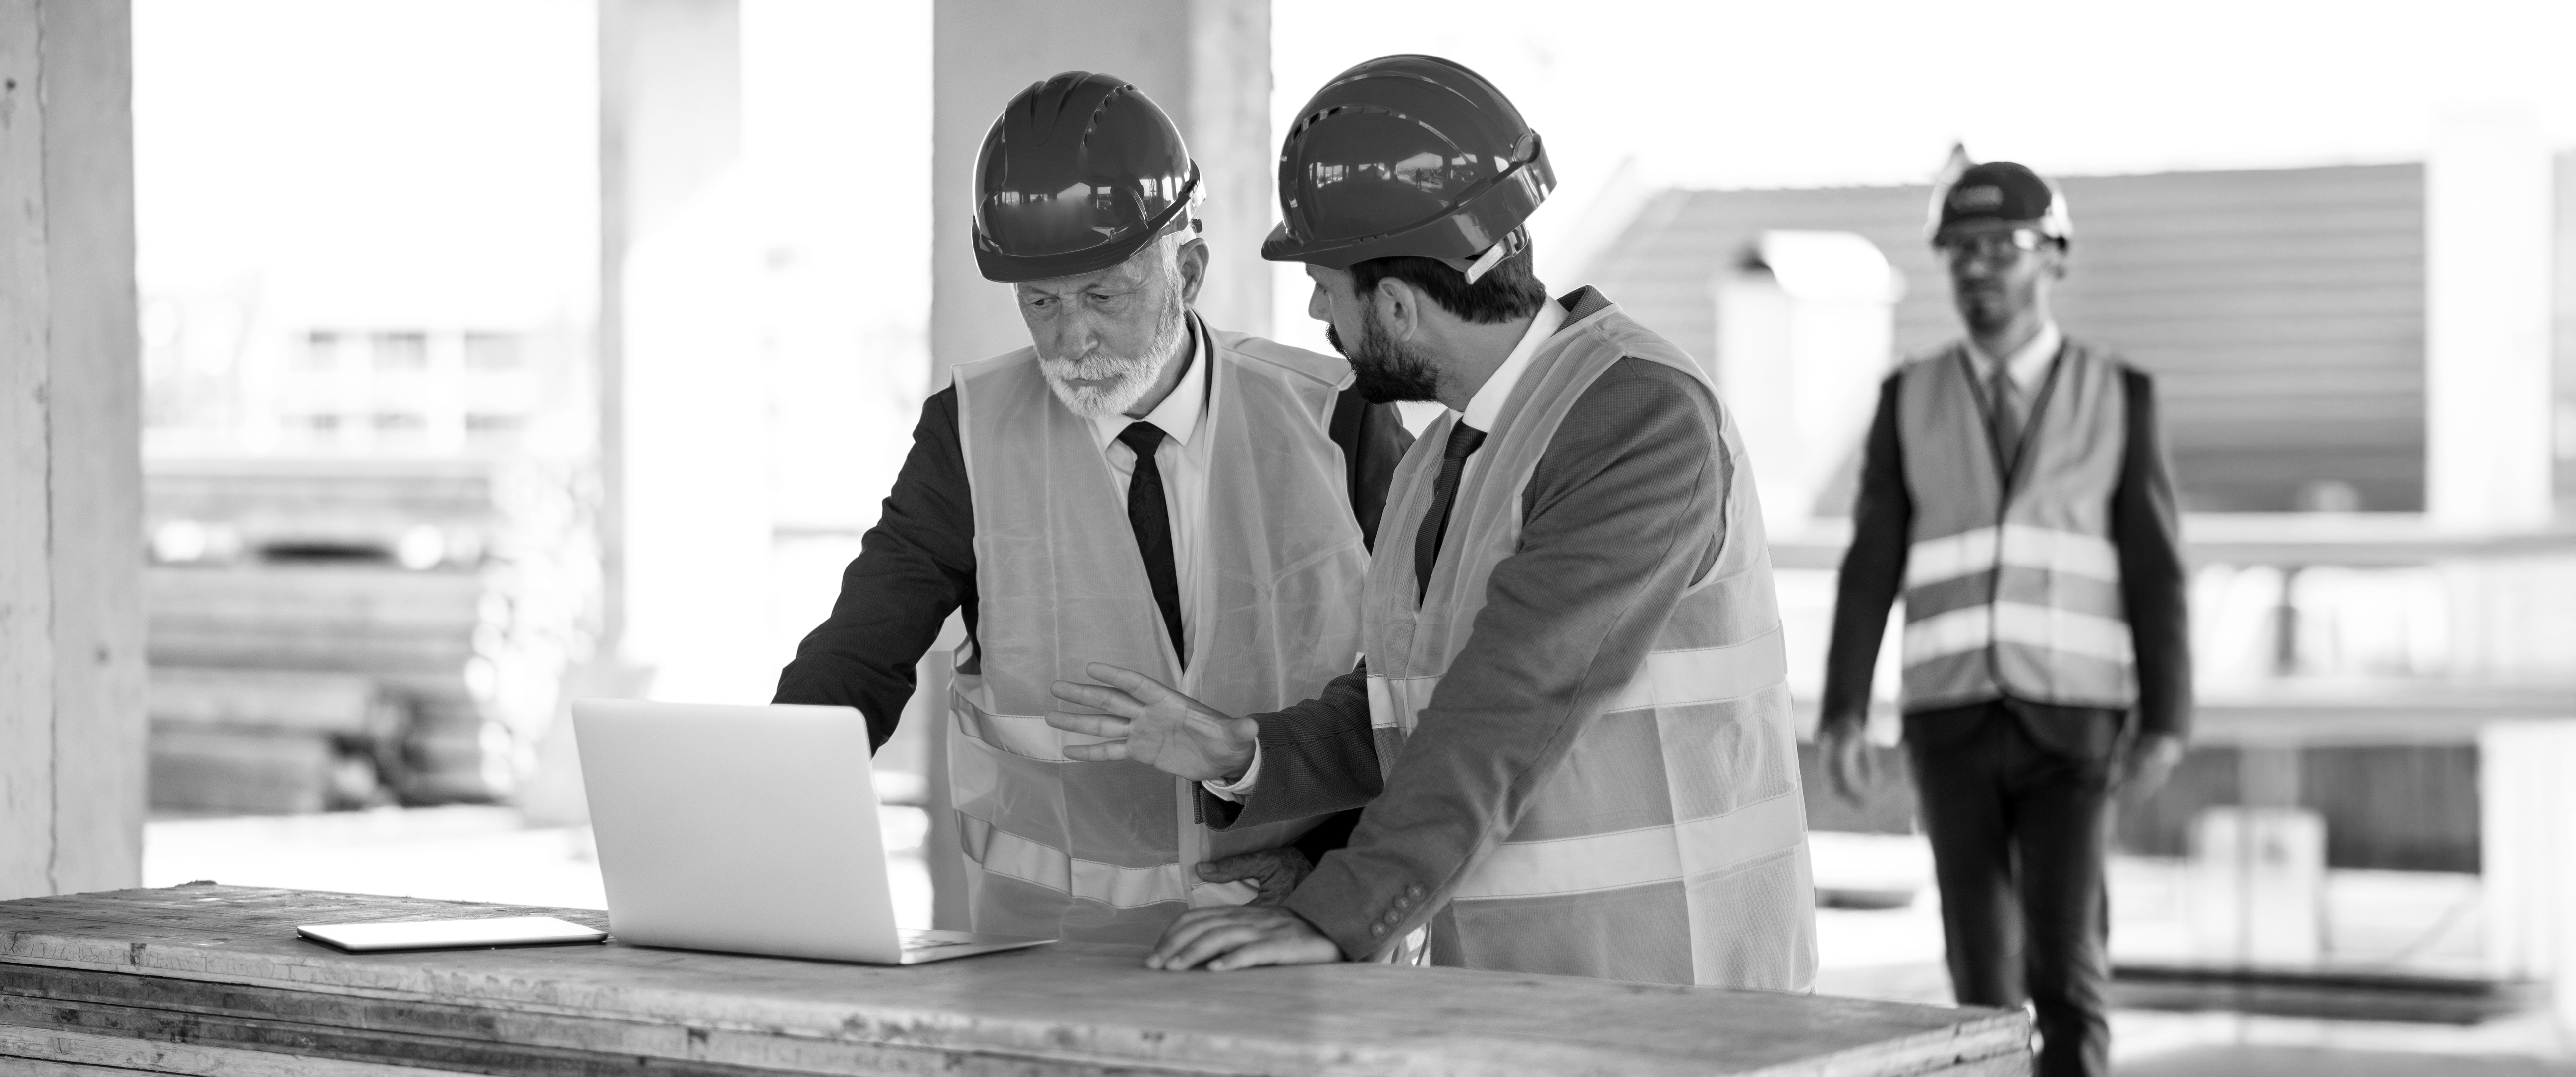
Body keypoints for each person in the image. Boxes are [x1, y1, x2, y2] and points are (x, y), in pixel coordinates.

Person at [1046, 55, 1816, 988]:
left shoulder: (1638, 418)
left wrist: (1337, 913)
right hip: (1516, 994)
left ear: (1398, 305)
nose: (1316, 313)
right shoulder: (1444, 454)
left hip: (1677, 992)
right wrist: (1243, 750)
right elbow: (1403, 702)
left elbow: (1513, 698)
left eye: (1327, 290)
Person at [772, 71, 1412, 945]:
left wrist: (1340, 867)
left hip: (1291, 937)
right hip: (1049, 955)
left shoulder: (1337, 416)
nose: (1070, 338)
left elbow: (1422, 676)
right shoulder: (968, 432)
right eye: (1041, 302)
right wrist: (767, 804)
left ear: (1185, 269)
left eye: (1102, 295)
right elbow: (863, 648)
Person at [1814, 161, 2191, 1077]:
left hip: (2073, 723)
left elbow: (2154, 568)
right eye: (1960, 252)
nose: (1977, 269)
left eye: (2001, 249)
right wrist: (1843, 710)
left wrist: (2168, 720)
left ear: (2052, 258)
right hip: (1951, 723)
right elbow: (1872, 565)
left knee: (2068, 974)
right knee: (1980, 984)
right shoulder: (1908, 398)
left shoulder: (2118, 395)